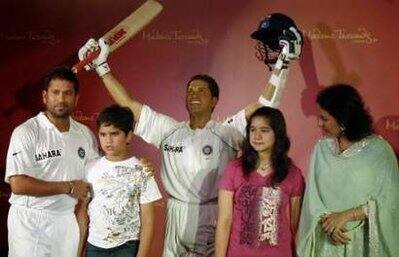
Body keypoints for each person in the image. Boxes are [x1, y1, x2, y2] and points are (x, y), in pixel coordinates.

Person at [77, 18, 301, 256]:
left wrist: (283, 65)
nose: (194, 94)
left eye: (201, 90)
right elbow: (129, 106)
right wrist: (102, 68)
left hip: (213, 214)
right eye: (190, 90)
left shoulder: (228, 131)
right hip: (176, 212)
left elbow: (266, 104)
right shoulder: (169, 130)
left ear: (214, 100)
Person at [5, 66, 99, 257]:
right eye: (55, 92)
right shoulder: (27, 132)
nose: (61, 99)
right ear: (45, 96)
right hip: (30, 222)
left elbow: (97, 176)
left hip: (66, 219)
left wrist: (136, 168)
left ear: (76, 98)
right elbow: (18, 184)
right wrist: (69, 187)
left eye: (67, 93)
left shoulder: (85, 135)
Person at [297, 84, 399, 257]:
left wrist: (345, 216)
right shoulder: (321, 149)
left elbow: (391, 200)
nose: (319, 123)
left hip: (361, 243)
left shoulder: (379, 150)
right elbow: (312, 198)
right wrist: (329, 223)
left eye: (325, 118)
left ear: (343, 120)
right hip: (326, 241)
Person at [215, 107, 305, 257]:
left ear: (277, 134)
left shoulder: (293, 174)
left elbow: (295, 225)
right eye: (252, 129)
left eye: (264, 130)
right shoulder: (234, 170)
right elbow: (224, 222)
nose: (256, 136)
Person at [78, 105, 162, 257]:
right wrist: (78, 251)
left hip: (128, 246)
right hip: (95, 246)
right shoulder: (90, 168)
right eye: (103, 134)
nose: (108, 140)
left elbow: (148, 221)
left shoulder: (142, 170)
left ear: (129, 135)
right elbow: (83, 212)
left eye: (114, 134)